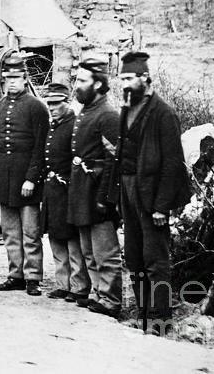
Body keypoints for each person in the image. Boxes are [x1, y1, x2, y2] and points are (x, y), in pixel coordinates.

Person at [107, 51, 191, 335]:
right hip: (128, 192)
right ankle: (143, 316)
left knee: (156, 259)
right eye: (122, 79)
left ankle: (159, 320)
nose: (125, 84)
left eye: (130, 78)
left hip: (152, 196)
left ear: (145, 78)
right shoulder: (126, 108)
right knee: (134, 257)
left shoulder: (163, 114)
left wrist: (161, 207)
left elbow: (172, 165)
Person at [67, 56, 123, 318]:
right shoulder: (86, 111)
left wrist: (105, 198)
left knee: (105, 251)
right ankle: (97, 293)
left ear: (99, 85)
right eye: (76, 80)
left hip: (99, 191)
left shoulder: (108, 115)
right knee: (89, 249)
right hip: (82, 189)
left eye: (82, 81)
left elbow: (114, 160)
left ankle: (111, 299)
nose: (76, 86)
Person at [0, 55, 48, 295]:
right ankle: (16, 275)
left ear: (25, 79)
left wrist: (31, 178)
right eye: (7, 79)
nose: (11, 83)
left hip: (27, 182)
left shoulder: (36, 107)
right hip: (5, 180)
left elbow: (41, 146)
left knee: (30, 232)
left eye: (16, 78)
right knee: (10, 233)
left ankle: (33, 277)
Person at [40, 83, 91, 304]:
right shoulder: (53, 125)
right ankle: (62, 284)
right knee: (55, 236)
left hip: (69, 189)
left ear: (67, 102)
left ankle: (79, 286)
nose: (52, 108)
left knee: (71, 239)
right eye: (49, 104)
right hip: (52, 190)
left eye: (56, 103)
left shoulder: (75, 125)